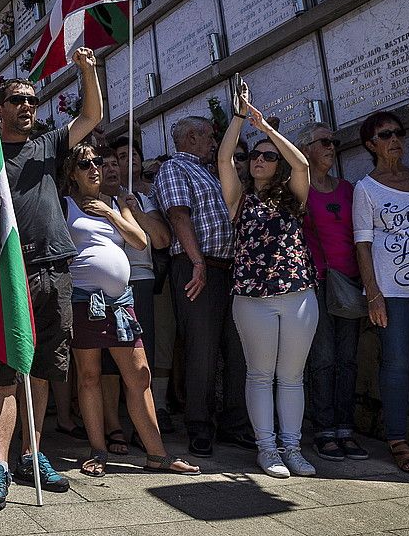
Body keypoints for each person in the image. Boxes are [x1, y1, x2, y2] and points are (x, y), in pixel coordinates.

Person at [0, 48, 101, 512]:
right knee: (6, 371)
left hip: (55, 269)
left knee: (46, 367)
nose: (27, 106)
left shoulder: (49, 144)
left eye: (32, 100)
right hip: (10, 272)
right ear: (1, 106)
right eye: (16, 100)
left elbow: (91, 115)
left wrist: (87, 72)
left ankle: (33, 454)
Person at [62, 144, 199, 479]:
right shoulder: (63, 205)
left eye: (99, 161)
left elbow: (140, 241)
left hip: (121, 303)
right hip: (84, 300)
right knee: (90, 376)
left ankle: (157, 454)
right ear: (72, 172)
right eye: (86, 163)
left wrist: (112, 212)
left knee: (140, 375)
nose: (95, 167)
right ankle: (98, 450)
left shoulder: (115, 204)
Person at [217, 85, 317, 478]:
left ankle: (292, 447)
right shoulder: (239, 197)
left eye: (267, 157)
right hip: (252, 298)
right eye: (255, 154)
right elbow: (225, 157)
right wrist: (241, 118)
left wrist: (268, 130)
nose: (258, 159)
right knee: (260, 374)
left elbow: (304, 166)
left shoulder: (294, 196)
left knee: (292, 376)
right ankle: (267, 449)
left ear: (278, 164)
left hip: (298, 295)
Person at [153, 116, 251, 458]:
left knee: (237, 350)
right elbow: (179, 216)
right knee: (203, 351)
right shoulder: (175, 168)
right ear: (192, 137)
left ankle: (235, 424)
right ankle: (199, 427)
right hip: (197, 268)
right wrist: (197, 262)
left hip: (229, 270)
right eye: (210, 136)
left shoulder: (212, 170)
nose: (214, 142)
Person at [300, 122, 368, 462]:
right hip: (318, 282)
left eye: (334, 142)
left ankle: (346, 428)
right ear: (307, 150)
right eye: (324, 142)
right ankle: (324, 429)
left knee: (348, 359)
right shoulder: (300, 191)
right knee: (323, 358)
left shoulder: (347, 189)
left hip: (350, 282)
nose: (332, 147)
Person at [98, 145, 171, 449]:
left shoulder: (140, 198)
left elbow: (162, 239)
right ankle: (113, 425)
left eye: (115, 163)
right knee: (108, 363)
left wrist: (135, 211)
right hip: (105, 289)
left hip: (139, 283)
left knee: (143, 360)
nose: (111, 169)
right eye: (104, 164)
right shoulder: (88, 205)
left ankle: (144, 429)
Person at [352, 111, 409, 473]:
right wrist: (373, 294)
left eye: (398, 133)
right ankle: (397, 439)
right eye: (385, 135)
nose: (395, 139)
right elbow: (362, 245)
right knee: (396, 363)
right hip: (392, 290)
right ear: (370, 145)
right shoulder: (367, 189)